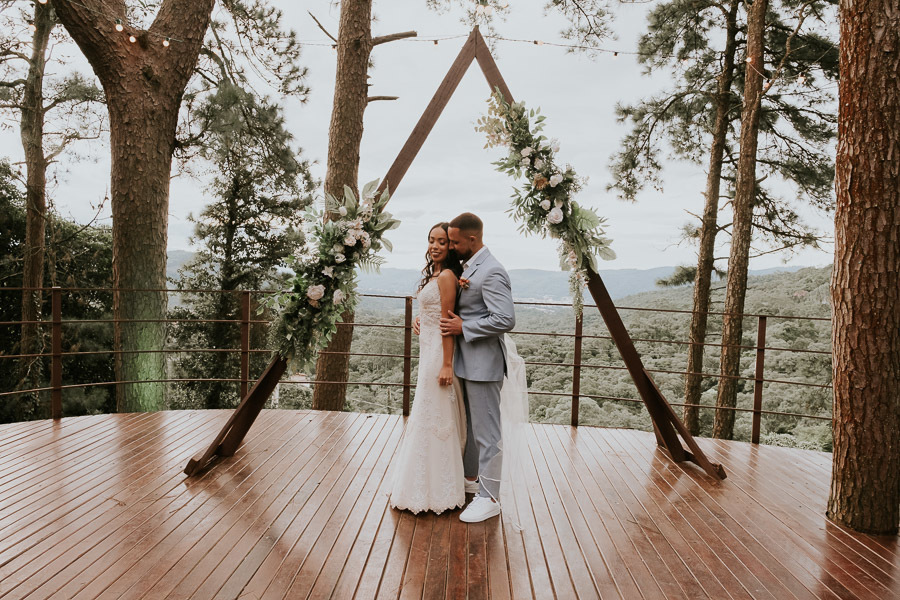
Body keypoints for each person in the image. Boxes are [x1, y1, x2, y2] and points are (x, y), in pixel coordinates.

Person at [441, 212, 516, 523]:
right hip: (466, 363)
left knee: (488, 433)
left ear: (472, 239)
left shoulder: (493, 271)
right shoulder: (470, 267)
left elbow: (505, 319)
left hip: (484, 364)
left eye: (456, 242)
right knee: (471, 430)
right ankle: (473, 482)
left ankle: (490, 497)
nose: (452, 247)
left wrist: (465, 327)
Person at [388, 222, 467, 514]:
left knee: (436, 417)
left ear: (451, 247)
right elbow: (430, 312)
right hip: (428, 349)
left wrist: (447, 363)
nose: (435, 246)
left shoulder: (447, 276)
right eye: (432, 240)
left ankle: (440, 489)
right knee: (424, 414)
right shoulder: (433, 274)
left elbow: (448, 324)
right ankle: (419, 484)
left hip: (439, 354)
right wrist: (418, 319)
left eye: (442, 242)